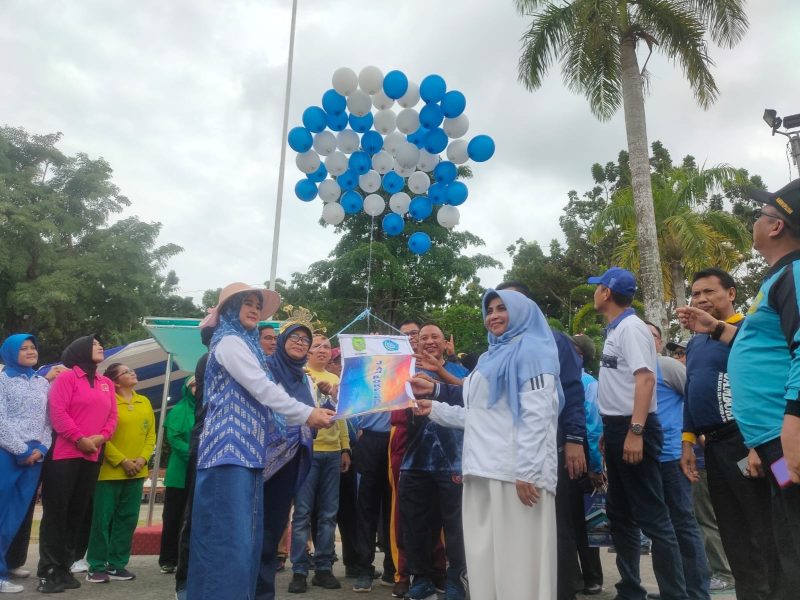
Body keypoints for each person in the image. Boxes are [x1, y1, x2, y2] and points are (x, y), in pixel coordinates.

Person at [186, 283, 333, 600]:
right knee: (226, 539)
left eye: (257, 304)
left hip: (249, 455)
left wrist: (314, 411)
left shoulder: (247, 345)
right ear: (228, 309)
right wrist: (308, 414)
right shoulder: (229, 342)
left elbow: (268, 398)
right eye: (246, 304)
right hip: (226, 452)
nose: (254, 309)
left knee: (245, 541)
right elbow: (263, 389)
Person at [410, 289, 560, 600]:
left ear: (521, 312)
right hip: (480, 470)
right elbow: (482, 416)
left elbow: (538, 415)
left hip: (515, 476)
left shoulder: (533, 351)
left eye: (502, 308)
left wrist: (527, 471)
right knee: (484, 562)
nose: (493, 315)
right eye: (489, 309)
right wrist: (435, 409)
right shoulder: (490, 358)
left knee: (517, 564)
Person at [680, 254, 800, 595]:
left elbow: (759, 385)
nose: (700, 299)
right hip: (714, 447)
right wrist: (687, 440)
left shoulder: (750, 330)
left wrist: (753, 445)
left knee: (771, 523)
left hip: (756, 444)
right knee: (732, 528)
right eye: (695, 294)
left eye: (708, 292)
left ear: (731, 293)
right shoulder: (697, 340)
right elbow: (692, 390)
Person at [588, 267, 687, 600]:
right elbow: (621, 384)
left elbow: (645, 380)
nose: (595, 292)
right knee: (620, 513)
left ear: (606, 292)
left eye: (597, 287)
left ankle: (674, 593)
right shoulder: (616, 330)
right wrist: (611, 429)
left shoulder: (631, 329)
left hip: (635, 426)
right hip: (618, 427)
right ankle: (630, 589)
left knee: (654, 517)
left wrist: (635, 430)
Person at [496, 281, 587, 600]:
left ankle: (562, 591)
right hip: (507, 456)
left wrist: (574, 439)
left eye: (510, 304)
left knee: (556, 525)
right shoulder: (499, 347)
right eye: (497, 306)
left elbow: (573, 391)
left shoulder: (553, 341)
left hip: (552, 448)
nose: (502, 312)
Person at [36, 335, 117, 594]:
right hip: (64, 455)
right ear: (80, 350)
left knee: (77, 514)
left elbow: (113, 416)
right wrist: (79, 438)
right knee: (56, 513)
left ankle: (64, 567)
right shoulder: (66, 378)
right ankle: (48, 571)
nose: (100, 346)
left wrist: (101, 437)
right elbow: (57, 412)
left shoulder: (106, 383)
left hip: (92, 454)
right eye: (94, 344)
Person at [400, 323, 468, 600]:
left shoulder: (462, 373)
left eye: (435, 337)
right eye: (424, 337)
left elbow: (471, 397)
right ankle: (421, 578)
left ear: (445, 343)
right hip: (414, 461)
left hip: (453, 462)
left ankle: (456, 578)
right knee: (415, 525)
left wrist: (440, 374)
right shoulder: (405, 373)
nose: (428, 341)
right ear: (416, 343)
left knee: (456, 527)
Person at [644, 322, 710, 600]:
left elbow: (695, 398)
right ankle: (672, 590)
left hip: (672, 457)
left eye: (650, 335)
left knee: (683, 524)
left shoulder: (667, 366)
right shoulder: (629, 371)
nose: (643, 340)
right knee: (658, 528)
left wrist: (692, 443)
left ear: (658, 342)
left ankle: (696, 592)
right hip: (644, 461)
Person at [255, 323, 317, 600]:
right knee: (255, 524)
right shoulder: (265, 369)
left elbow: (311, 415)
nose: (300, 343)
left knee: (276, 524)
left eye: (306, 340)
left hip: (293, 461)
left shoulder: (305, 379)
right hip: (260, 459)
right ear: (282, 341)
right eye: (294, 337)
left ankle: (262, 589)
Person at [286, 333, 351, 593]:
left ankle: (324, 567)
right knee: (301, 514)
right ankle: (299, 570)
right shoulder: (300, 376)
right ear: (308, 352)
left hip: (333, 453)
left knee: (328, 514)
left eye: (326, 346)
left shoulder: (337, 379)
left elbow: (343, 415)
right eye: (317, 346)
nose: (322, 350)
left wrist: (345, 447)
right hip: (307, 452)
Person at [85, 363, 156, 583]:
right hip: (109, 472)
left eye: (132, 369)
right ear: (114, 381)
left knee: (127, 519)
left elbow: (150, 435)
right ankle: (96, 565)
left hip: (137, 472)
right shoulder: (106, 401)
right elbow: (100, 435)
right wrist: (122, 461)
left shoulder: (144, 401)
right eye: (126, 371)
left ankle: (117, 564)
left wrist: (142, 459)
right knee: (102, 520)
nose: (133, 372)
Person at [0, 334, 52, 594]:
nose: (31, 351)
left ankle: (6, 563)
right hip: (7, 454)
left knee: (16, 516)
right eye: (24, 348)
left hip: (35, 458)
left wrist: (41, 448)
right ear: (10, 353)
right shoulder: (2, 380)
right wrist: (21, 450)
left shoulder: (42, 382)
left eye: (33, 347)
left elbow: (48, 421)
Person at [174, 325, 214, 600]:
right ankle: (186, 582)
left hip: (227, 448)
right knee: (196, 516)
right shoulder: (211, 359)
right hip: (207, 443)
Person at [569, 334, 604, 596]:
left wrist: (594, 466)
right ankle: (575, 576)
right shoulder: (560, 380)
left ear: (580, 355)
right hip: (562, 460)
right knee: (568, 522)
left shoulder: (588, 383)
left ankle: (593, 577)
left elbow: (593, 428)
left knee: (587, 522)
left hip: (583, 463)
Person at [158, 376, 196, 574]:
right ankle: (168, 558)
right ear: (186, 388)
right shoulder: (180, 410)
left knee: (195, 517)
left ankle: (189, 558)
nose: (197, 388)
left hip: (200, 472)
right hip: (180, 472)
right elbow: (174, 438)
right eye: (193, 384)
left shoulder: (207, 408)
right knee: (173, 517)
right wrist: (194, 453)